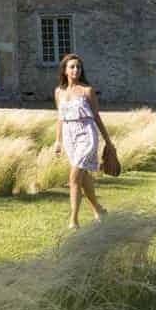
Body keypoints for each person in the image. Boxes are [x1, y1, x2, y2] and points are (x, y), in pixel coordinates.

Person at [53, 53, 114, 228]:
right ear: (64, 70)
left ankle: (73, 219)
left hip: (86, 133)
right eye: (72, 67)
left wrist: (108, 142)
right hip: (69, 134)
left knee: (74, 177)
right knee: (83, 175)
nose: (76, 70)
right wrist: (58, 141)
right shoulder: (59, 92)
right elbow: (60, 117)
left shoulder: (87, 91)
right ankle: (98, 210)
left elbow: (96, 117)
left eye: (78, 67)